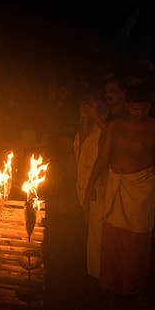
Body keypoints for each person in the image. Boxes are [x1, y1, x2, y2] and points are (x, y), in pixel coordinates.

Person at [83, 83, 155, 298]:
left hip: (141, 189)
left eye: (145, 109)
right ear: (127, 105)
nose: (140, 113)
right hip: (116, 184)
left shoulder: (153, 127)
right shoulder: (114, 126)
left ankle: (132, 286)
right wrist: (91, 184)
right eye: (136, 109)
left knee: (136, 237)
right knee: (113, 234)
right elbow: (103, 156)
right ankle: (110, 281)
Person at [75, 75, 128, 279]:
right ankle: (98, 273)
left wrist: (96, 118)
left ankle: (114, 272)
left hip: (116, 181)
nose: (109, 95)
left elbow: (118, 140)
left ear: (124, 92)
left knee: (113, 229)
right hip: (96, 176)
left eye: (114, 90)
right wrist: (86, 119)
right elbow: (83, 141)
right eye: (107, 92)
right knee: (96, 228)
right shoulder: (104, 115)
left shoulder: (127, 116)